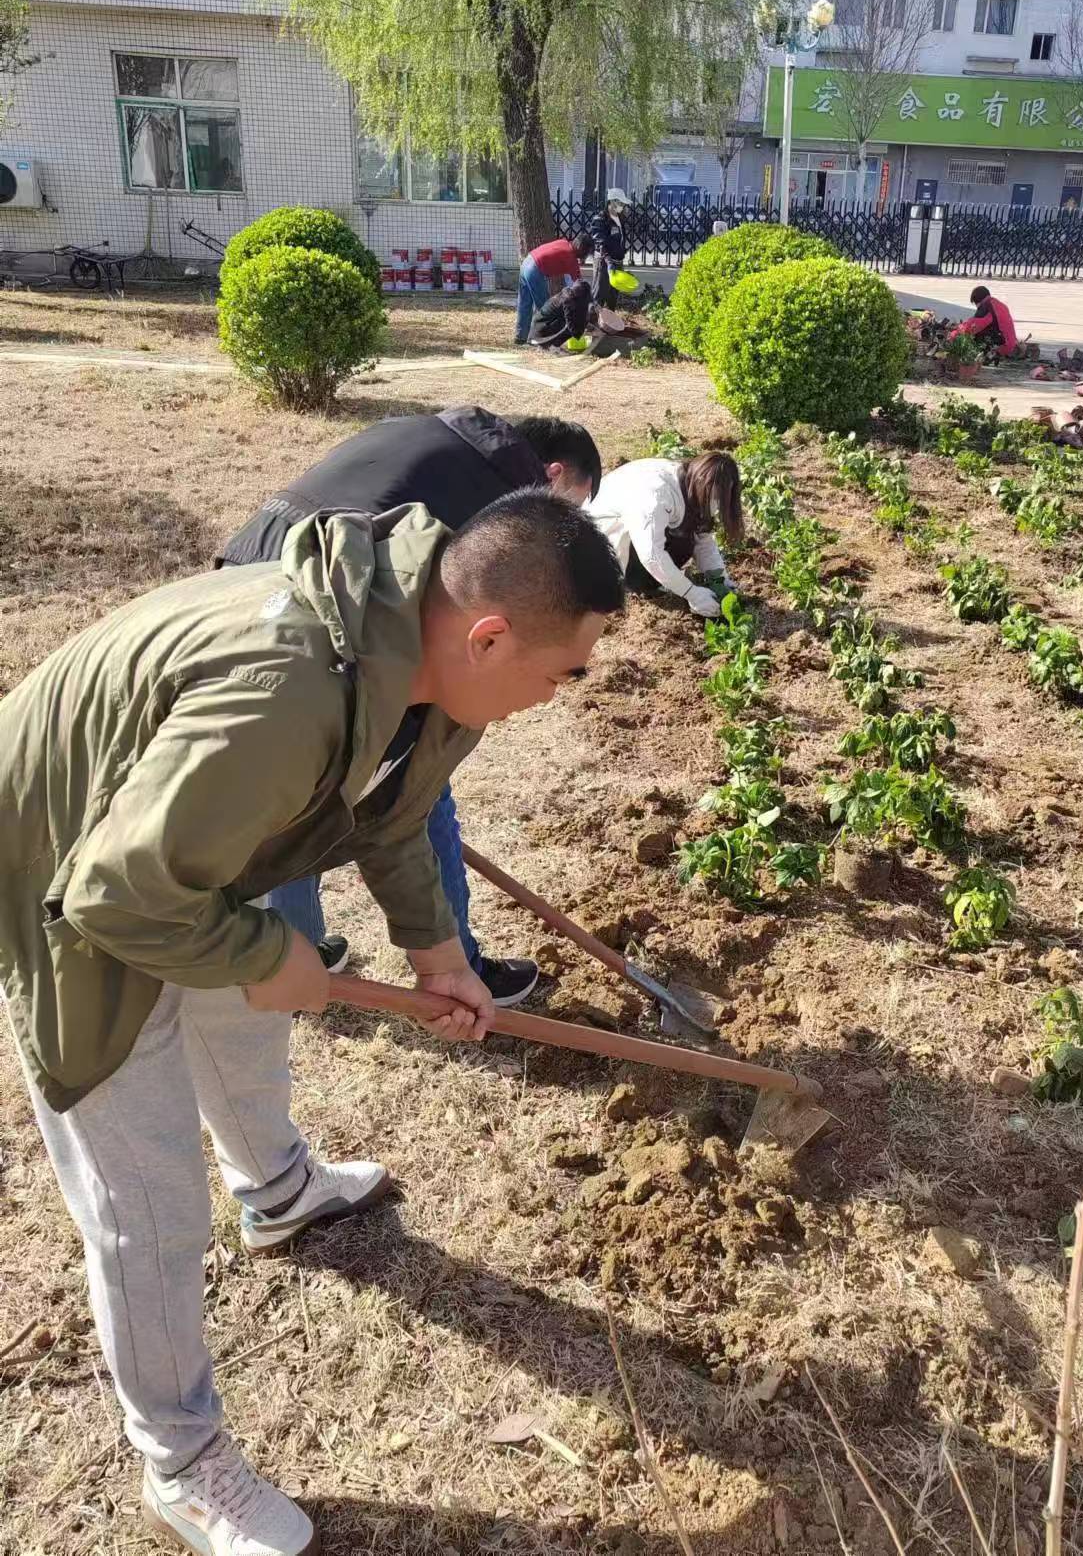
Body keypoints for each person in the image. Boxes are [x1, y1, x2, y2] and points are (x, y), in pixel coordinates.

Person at [0, 490, 623, 1556]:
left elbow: (393, 808)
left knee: (242, 1018)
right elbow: (113, 896)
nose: (564, 692)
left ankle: (279, 1192)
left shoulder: (424, 661)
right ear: (487, 636)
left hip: (173, 848)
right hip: (58, 865)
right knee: (146, 1197)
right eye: (565, 670)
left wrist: (437, 953)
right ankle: (181, 1462)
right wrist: (261, 953)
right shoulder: (284, 690)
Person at [219, 407, 603, 1007]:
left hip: (255, 575)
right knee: (412, 786)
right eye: (570, 509)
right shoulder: (510, 516)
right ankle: (458, 964)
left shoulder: (437, 435)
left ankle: (301, 944)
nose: (563, 533)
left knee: (307, 786)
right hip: (323, 602)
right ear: (553, 474)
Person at [588, 451, 743, 619]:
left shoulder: (693, 486)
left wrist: (720, 578)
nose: (716, 505)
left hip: (639, 534)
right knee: (676, 545)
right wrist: (691, 593)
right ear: (703, 484)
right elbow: (651, 554)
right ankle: (636, 583)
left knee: (686, 538)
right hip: (600, 541)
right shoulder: (657, 495)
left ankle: (654, 579)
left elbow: (703, 539)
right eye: (715, 498)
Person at [514, 230, 594, 346]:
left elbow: (570, 281)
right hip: (535, 270)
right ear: (580, 247)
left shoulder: (564, 243)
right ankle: (539, 340)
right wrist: (590, 303)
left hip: (526, 262)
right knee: (545, 309)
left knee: (524, 304)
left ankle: (520, 338)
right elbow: (579, 285)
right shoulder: (571, 258)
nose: (585, 257)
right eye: (586, 253)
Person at [948, 284, 1018, 358]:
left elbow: (971, 327)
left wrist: (954, 333)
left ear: (977, 301)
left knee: (969, 337)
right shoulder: (998, 304)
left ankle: (985, 355)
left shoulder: (986, 307)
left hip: (1003, 346)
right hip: (1010, 343)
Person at [589, 186, 630, 309]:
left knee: (613, 296)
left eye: (623, 204)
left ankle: (610, 318)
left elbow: (620, 239)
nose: (622, 206)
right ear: (612, 202)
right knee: (599, 294)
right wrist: (608, 261)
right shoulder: (600, 220)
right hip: (604, 263)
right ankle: (593, 318)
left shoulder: (619, 219)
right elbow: (599, 242)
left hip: (617, 263)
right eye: (620, 203)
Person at [529, 276, 592, 350]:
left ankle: (551, 345)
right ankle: (552, 346)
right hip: (540, 334)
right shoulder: (568, 301)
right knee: (570, 327)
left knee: (574, 323)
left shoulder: (570, 294)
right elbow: (571, 324)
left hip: (541, 326)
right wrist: (581, 331)